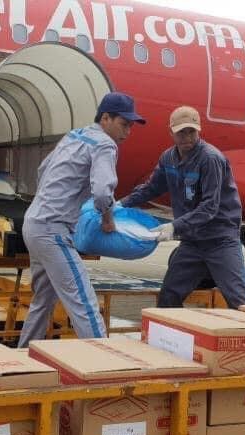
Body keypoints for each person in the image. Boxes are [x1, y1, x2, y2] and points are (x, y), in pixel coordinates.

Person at [17, 92, 146, 348]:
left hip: (32, 223)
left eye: (131, 126)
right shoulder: (105, 145)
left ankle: (23, 357)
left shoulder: (74, 136)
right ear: (105, 118)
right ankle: (103, 362)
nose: (128, 132)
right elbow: (102, 192)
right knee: (84, 303)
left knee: (43, 300)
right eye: (124, 124)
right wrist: (107, 219)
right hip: (53, 231)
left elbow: (42, 170)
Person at [121, 106, 245, 309]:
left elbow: (210, 207)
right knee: (168, 297)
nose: (187, 137)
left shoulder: (210, 159)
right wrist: (121, 204)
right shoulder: (168, 159)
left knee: (240, 301)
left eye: (192, 131)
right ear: (171, 132)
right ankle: (171, 328)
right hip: (192, 242)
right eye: (181, 132)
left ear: (199, 130)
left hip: (220, 241)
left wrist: (174, 226)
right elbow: (151, 188)